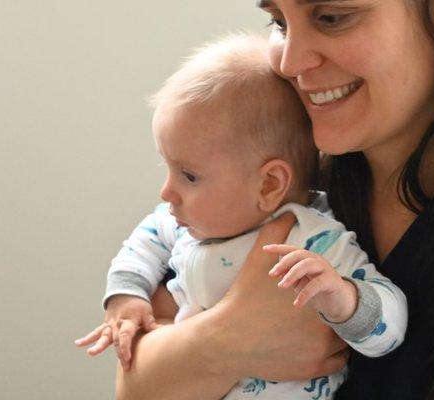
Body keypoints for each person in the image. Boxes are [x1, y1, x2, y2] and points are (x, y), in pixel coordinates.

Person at [110, 1, 434, 399]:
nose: (289, 61)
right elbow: (135, 384)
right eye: (279, 21)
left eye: (331, 17)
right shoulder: (270, 190)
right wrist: (224, 342)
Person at [75, 33, 408, 399]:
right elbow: (140, 246)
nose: (166, 192)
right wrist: (126, 298)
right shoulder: (184, 223)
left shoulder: (316, 241)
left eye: (189, 176)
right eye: (166, 167)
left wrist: (344, 301)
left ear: (269, 185)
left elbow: (390, 328)